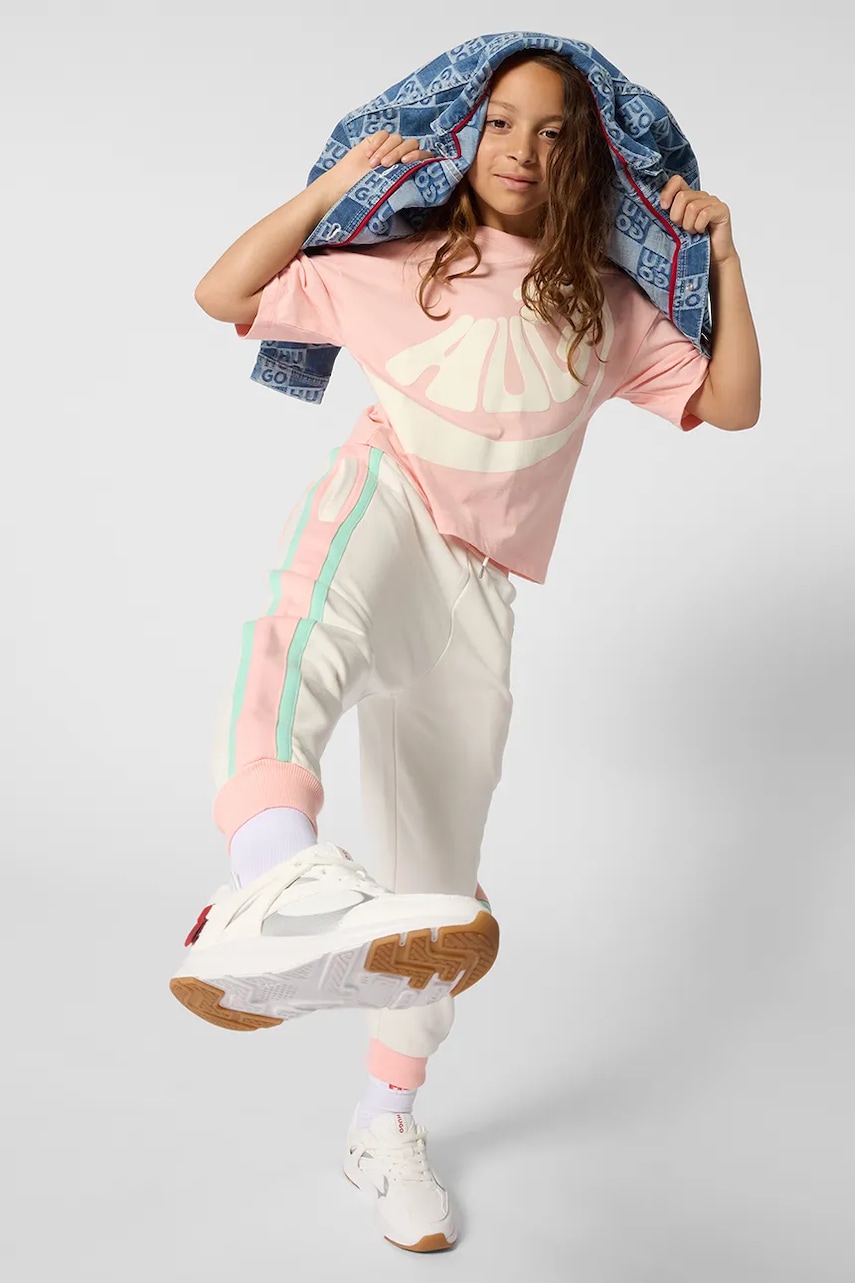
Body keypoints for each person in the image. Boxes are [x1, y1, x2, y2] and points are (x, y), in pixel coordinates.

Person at [174, 49, 761, 1252]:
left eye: (553, 132)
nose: (523, 149)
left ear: (587, 157)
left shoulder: (604, 308)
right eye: (501, 121)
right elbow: (222, 290)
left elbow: (736, 403)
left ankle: (384, 1122)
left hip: (481, 591)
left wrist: (725, 259)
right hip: (389, 500)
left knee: (438, 882)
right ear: (464, 131)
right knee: (303, 633)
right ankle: (269, 872)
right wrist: (332, 187)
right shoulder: (404, 265)